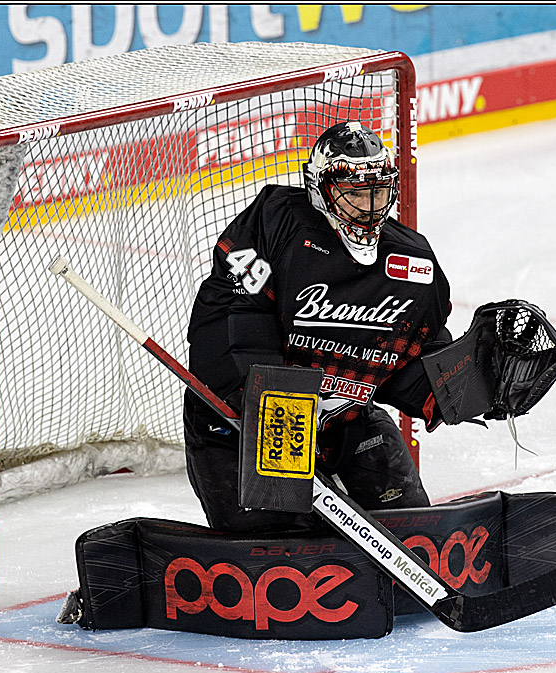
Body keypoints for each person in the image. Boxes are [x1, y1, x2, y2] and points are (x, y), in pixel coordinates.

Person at [183, 121, 452, 533]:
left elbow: (412, 357)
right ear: (320, 188)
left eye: (377, 191)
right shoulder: (274, 225)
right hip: (247, 421)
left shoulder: (412, 261)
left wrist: (463, 382)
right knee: (273, 551)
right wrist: (282, 414)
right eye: (355, 193)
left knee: (411, 532)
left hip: (343, 419)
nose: (368, 206)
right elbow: (231, 327)